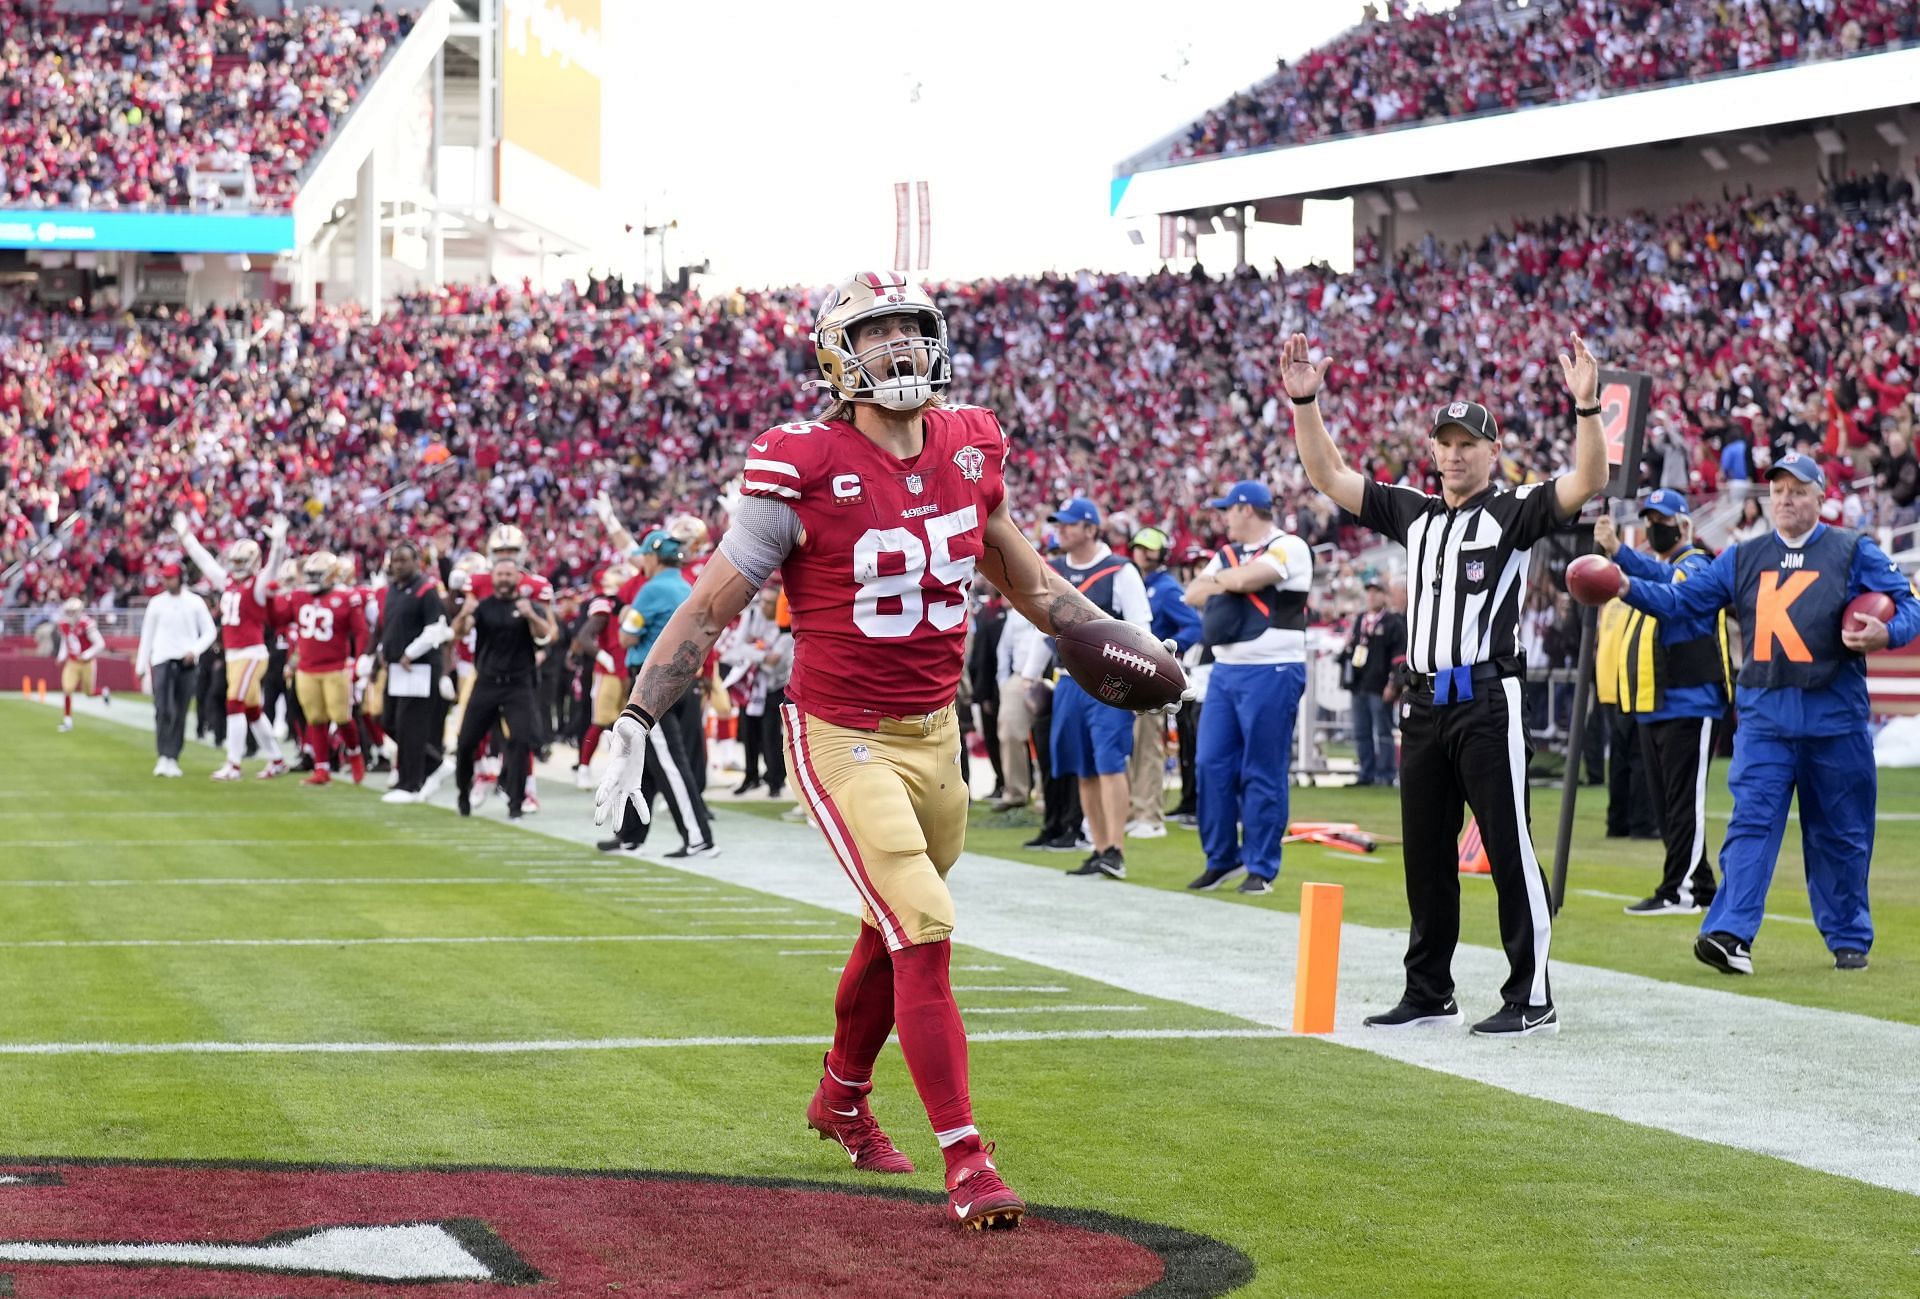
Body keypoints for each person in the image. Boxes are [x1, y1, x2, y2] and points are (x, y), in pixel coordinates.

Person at [593, 271, 1183, 1230]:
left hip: (936, 731)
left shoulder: (969, 445)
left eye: (913, 331)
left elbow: (1036, 589)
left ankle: (840, 1095)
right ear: (837, 356)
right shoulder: (800, 466)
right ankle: (968, 1159)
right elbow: (707, 609)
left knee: (890, 925)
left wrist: (1142, 657)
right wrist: (635, 719)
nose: (901, 351)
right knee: (922, 917)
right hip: (841, 732)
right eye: (878, 336)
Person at [1286, 329, 1610, 1036]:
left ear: (1492, 452)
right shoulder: (1415, 513)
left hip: (1489, 699)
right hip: (1423, 701)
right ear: (1431, 450)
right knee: (1426, 855)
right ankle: (1429, 989)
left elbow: (1588, 482)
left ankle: (1533, 994)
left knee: (1508, 847)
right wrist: (1307, 400)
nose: (1456, 453)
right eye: (1446, 441)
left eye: (1469, 442)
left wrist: (1586, 410)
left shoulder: (1513, 511)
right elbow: (1328, 474)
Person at [1600, 454, 1920, 973]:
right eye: (1779, 490)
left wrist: (1888, 633)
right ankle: (1729, 933)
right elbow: (1683, 601)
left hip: (1833, 716)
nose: (1787, 499)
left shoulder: (1851, 548)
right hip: (1766, 715)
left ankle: (1848, 935)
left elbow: (1908, 605)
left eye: (1798, 490)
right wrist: (1624, 586)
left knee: (1840, 832)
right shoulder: (1743, 557)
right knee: (1750, 823)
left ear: (1821, 496)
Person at [1593, 490, 1730, 915]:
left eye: (1663, 518)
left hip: (1689, 700)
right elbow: (1655, 576)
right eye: (1650, 518)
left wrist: (1620, 564)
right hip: (1655, 702)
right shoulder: (1663, 567)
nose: (1656, 526)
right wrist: (1618, 555)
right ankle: (1697, 883)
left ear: (1684, 524)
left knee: (1682, 801)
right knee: (1668, 802)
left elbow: (1672, 592)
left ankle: (1681, 888)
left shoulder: (1696, 564)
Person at [1182, 480, 1314, 895]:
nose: (1223, 518)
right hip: (1226, 671)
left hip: (1272, 669)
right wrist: (1230, 580)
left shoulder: (1289, 545)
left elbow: (1251, 579)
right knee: (1210, 764)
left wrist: (1224, 581)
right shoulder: (1227, 553)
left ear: (1247, 509)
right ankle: (1222, 858)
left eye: (1228, 510)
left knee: (1262, 769)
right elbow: (1192, 593)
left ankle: (1261, 865)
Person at [1027, 497, 1153, 880]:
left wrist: (1138, 685)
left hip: (1109, 682)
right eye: (1059, 524)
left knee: (1110, 763)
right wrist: (1031, 675)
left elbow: (1141, 627)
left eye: (1068, 524)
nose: (1060, 530)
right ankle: (1098, 846)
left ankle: (1116, 849)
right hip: (1067, 681)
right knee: (1082, 767)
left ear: (1090, 529)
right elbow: (1043, 624)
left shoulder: (1119, 570)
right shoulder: (1055, 570)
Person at [602, 529, 716, 856]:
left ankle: (699, 837)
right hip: (683, 681)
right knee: (646, 760)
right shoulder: (686, 587)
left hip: (654, 685)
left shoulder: (652, 590)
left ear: (653, 557)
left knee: (668, 763)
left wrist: (625, 615)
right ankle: (630, 835)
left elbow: (626, 637)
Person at [176, 512, 291, 780]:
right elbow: (204, 560)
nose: (236, 565)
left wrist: (279, 543)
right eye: (234, 561)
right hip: (235, 655)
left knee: (234, 703)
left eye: (241, 561)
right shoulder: (228, 582)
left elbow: (273, 567)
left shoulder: (258, 585)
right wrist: (185, 536)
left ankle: (233, 764)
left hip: (252, 652)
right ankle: (276, 760)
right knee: (251, 711)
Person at [451, 552, 555, 819]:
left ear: (518, 578)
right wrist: (464, 613)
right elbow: (459, 632)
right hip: (486, 681)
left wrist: (531, 614)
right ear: (493, 578)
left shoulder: (529, 606)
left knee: (520, 741)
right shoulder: (483, 606)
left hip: (518, 684)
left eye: (509, 574)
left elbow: (546, 635)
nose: (505, 579)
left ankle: (516, 802)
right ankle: (463, 792)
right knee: (465, 742)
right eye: (500, 574)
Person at [1125, 527, 1203, 838]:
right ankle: (1134, 809)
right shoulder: (1135, 583)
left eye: (1149, 548)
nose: (1142, 552)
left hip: (1153, 676)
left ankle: (1150, 815)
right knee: (1133, 745)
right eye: (1138, 547)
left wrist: (1164, 650)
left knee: (1148, 747)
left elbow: (1194, 626)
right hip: (1133, 672)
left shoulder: (1167, 588)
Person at [375, 540, 453, 804]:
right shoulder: (393, 590)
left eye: (403, 560)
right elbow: (390, 626)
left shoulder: (426, 590)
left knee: (411, 726)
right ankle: (434, 763)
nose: (398, 565)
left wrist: (411, 652)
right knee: (390, 722)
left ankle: (410, 784)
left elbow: (438, 627)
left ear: (417, 562)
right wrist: (384, 653)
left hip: (418, 667)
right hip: (397, 667)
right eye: (395, 560)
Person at [287, 551, 371, 787]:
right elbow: (278, 618)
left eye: (317, 575)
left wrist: (359, 659)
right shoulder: (299, 596)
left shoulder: (346, 597)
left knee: (341, 717)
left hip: (335, 666)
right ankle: (321, 769)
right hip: (306, 667)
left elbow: (361, 632)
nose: (312, 580)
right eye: (310, 575)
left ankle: (354, 754)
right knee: (315, 718)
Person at [133, 562, 216, 778]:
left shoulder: (195, 603)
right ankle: (162, 754)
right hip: (161, 660)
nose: (167, 581)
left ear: (181, 578)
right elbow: (147, 635)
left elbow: (209, 632)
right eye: (165, 578)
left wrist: (195, 650)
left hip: (186, 662)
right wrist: (142, 665)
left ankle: (173, 757)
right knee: (163, 709)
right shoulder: (157, 603)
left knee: (180, 710)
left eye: (171, 577)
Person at [571, 562, 638, 790]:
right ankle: (583, 767)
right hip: (609, 672)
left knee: (627, 726)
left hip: (630, 669)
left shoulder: (635, 603)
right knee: (599, 722)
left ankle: (621, 772)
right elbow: (585, 635)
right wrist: (604, 657)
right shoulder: (605, 602)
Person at [1346, 577, 1407, 786]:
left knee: (1383, 731)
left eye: (1376, 592)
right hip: (1359, 684)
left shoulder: (1393, 622)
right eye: (1369, 592)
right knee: (1361, 732)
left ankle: (1385, 774)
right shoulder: (1360, 619)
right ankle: (1366, 773)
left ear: (1385, 596)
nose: (1371, 596)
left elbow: (1398, 656)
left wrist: (1393, 684)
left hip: (1380, 686)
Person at [54, 596, 106, 733]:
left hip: (87, 663)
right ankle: (67, 721)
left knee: (88, 692)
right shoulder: (64, 624)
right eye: (68, 611)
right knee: (67, 689)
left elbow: (100, 644)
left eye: (72, 612)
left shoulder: (86, 623)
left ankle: (104, 692)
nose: (69, 614)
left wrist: (86, 654)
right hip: (72, 662)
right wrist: (61, 656)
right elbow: (66, 642)